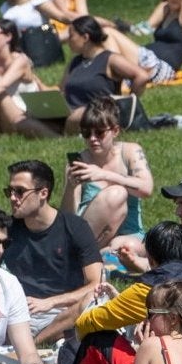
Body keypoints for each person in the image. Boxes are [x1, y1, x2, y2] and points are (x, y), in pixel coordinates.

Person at [3, 160, 105, 334]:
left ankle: (35, 342)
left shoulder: (75, 227)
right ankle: (41, 339)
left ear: (43, 193)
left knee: (92, 301)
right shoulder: (6, 229)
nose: (13, 198)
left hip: (65, 310)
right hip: (24, 311)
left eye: (19, 191)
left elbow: (95, 284)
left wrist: (50, 302)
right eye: (9, 191)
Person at [65, 99, 155, 261]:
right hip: (89, 235)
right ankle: (93, 254)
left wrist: (104, 175)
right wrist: (70, 188)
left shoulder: (130, 151)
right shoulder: (80, 161)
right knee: (117, 193)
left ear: (115, 131)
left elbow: (146, 189)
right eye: (86, 133)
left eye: (99, 133)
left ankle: (100, 256)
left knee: (129, 247)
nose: (92, 139)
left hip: (128, 234)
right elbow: (68, 216)